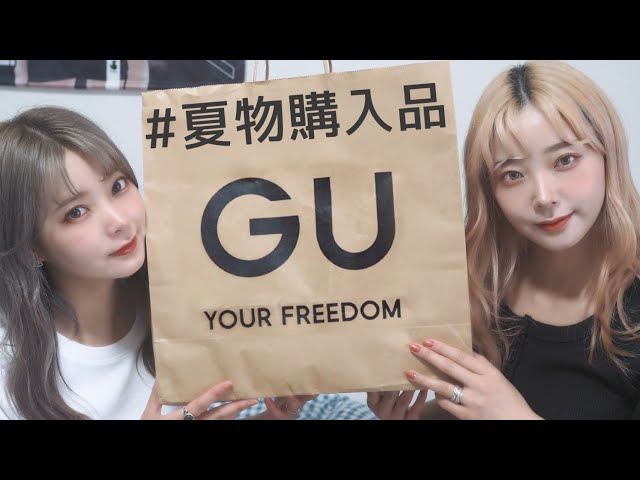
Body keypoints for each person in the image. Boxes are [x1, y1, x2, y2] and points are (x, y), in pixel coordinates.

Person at [0, 106, 376, 420]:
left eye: (117, 186)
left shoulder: (184, 301)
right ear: (32, 246)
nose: (119, 221)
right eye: (77, 212)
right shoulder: (11, 371)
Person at [368, 60, 640, 420]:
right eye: (512, 175)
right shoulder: (478, 282)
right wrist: (416, 416)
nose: (543, 196)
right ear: (488, 190)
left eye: (565, 160)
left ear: (608, 153)